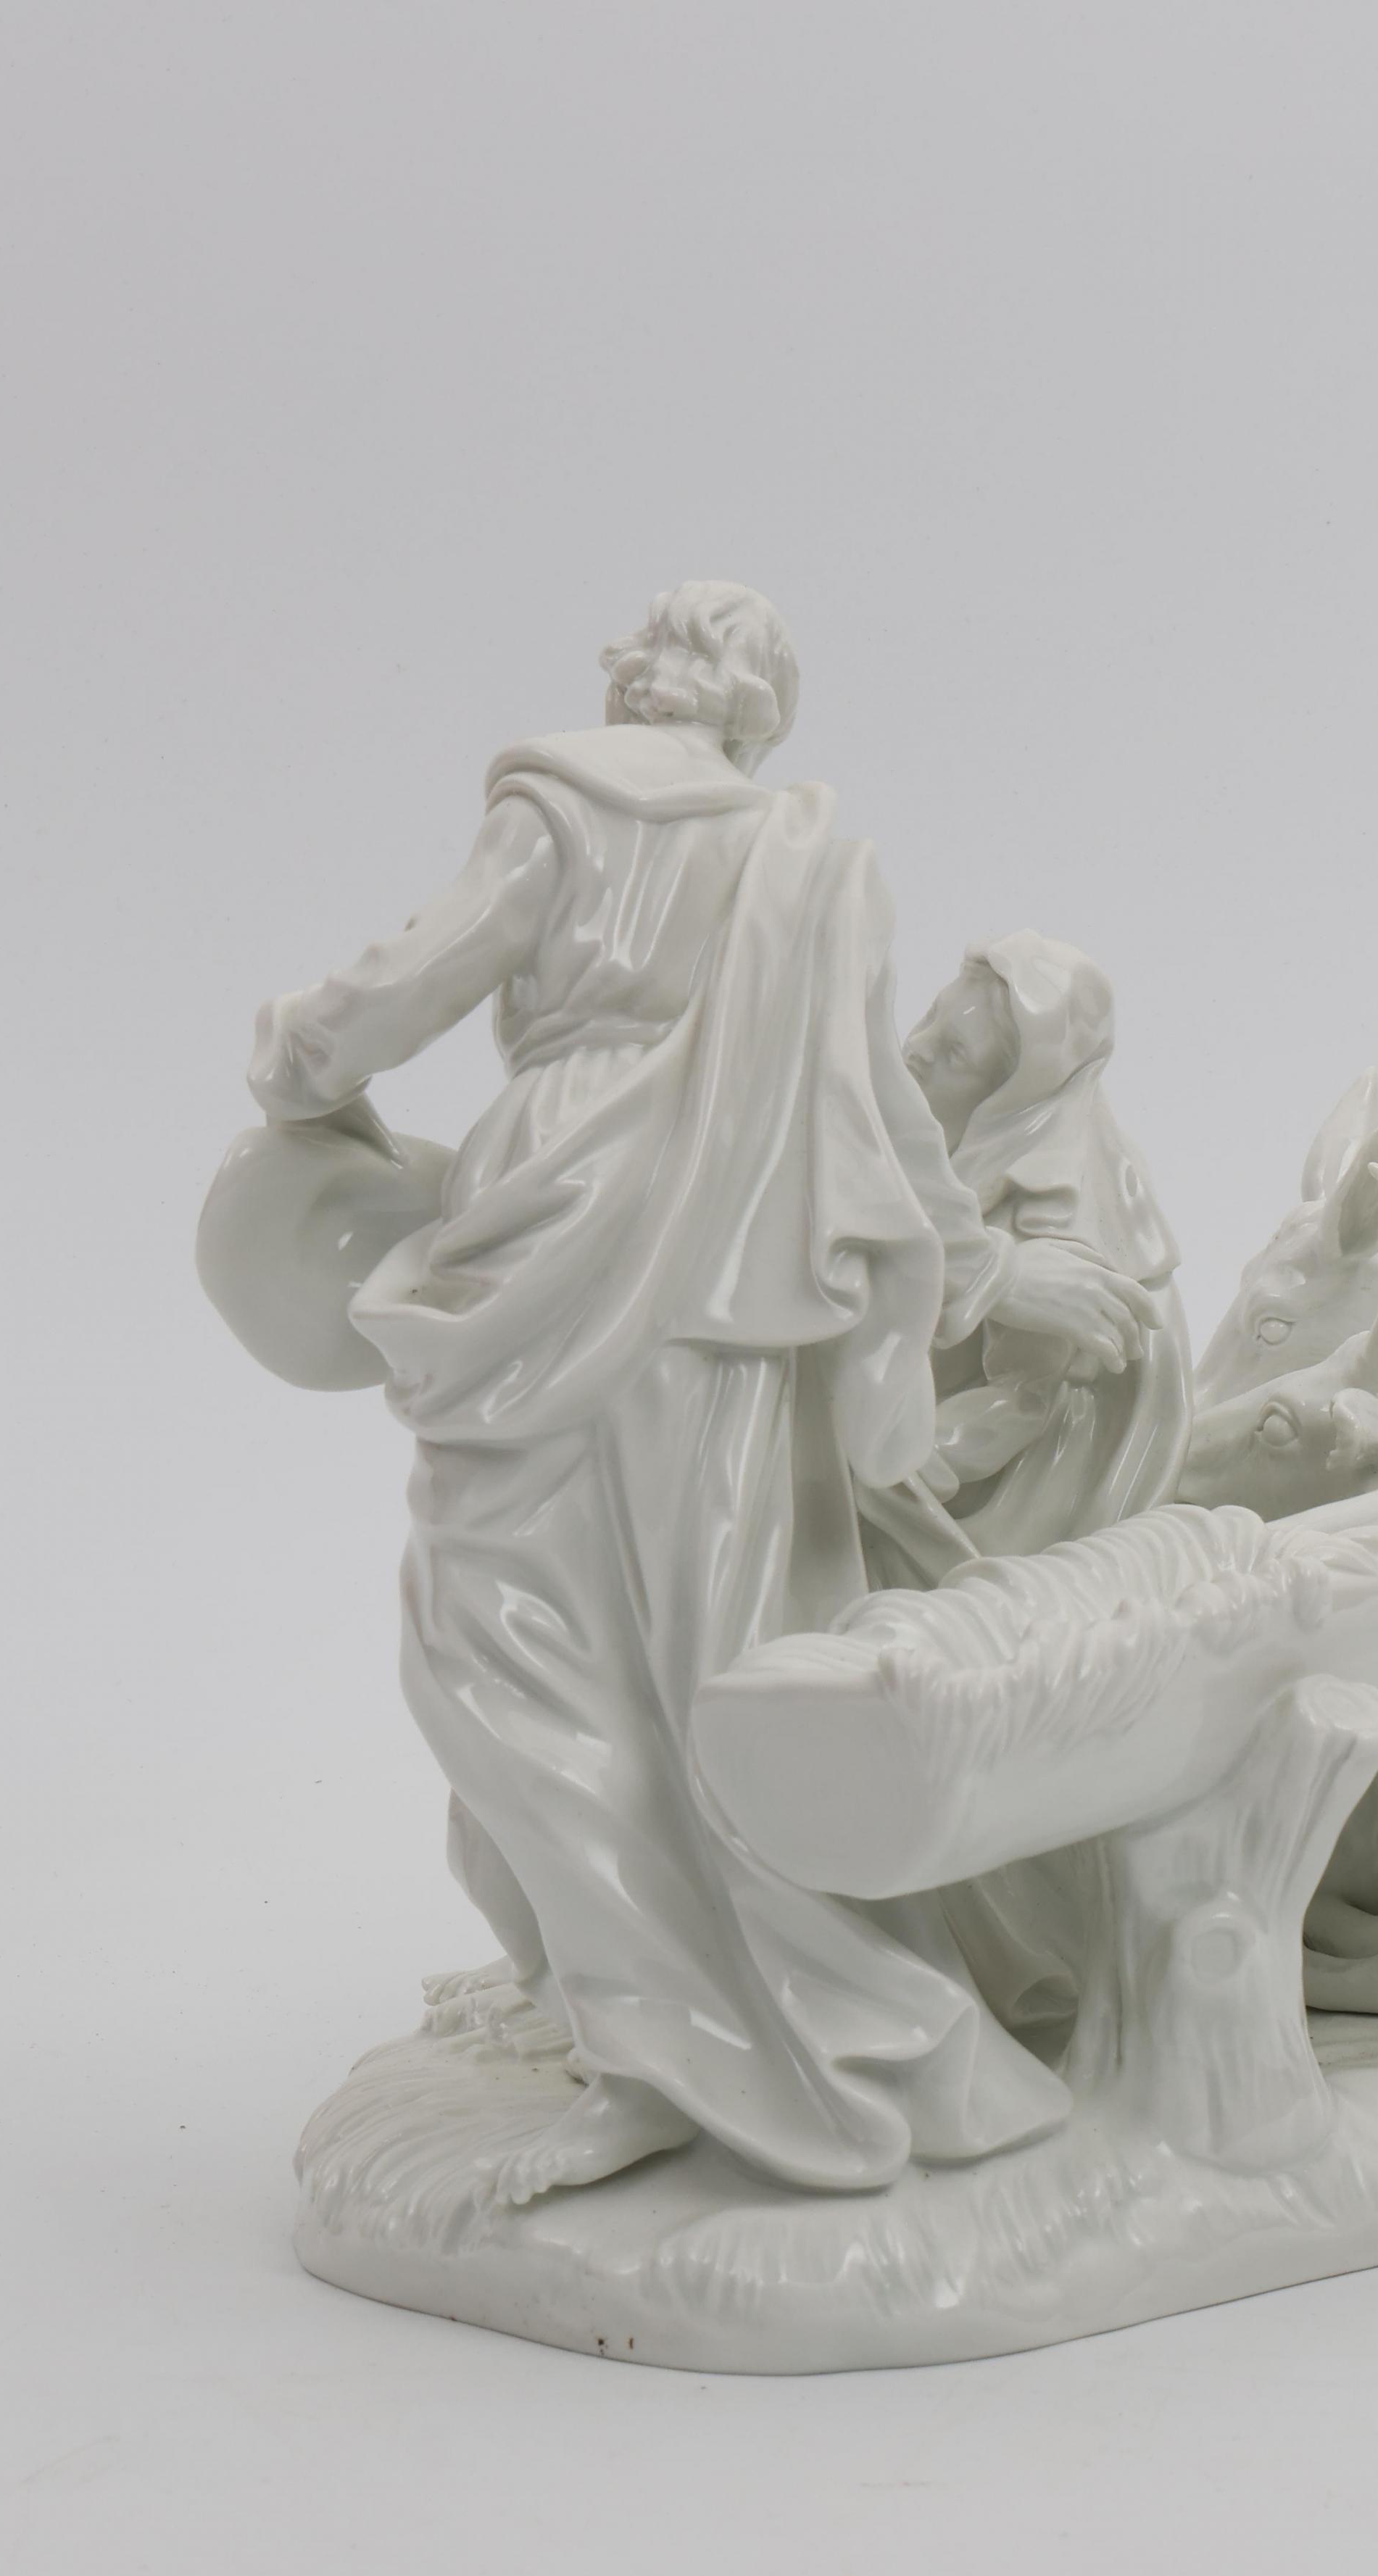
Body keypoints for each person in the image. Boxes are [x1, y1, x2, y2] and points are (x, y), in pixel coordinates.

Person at [244, 581, 1155, 2204]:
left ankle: (673, 2045)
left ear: (641, 674)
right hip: (735, 1288)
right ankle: (747, 2019)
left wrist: (297, 1060)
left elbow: (409, 982)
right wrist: (982, 1276)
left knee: (499, 1646)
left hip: (561, 1241)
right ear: (758, 712)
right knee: (705, 1657)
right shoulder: (811, 861)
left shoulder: (565, 800)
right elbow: (883, 1121)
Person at [897, 935, 1190, 1562]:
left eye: (955, 1053)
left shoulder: (1048, 1211)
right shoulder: (922, 1146)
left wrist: (904, 1462)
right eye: (931, 1016)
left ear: (1007, 1098)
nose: (915, 1048)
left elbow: (1022, 1401)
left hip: (980, 1505)